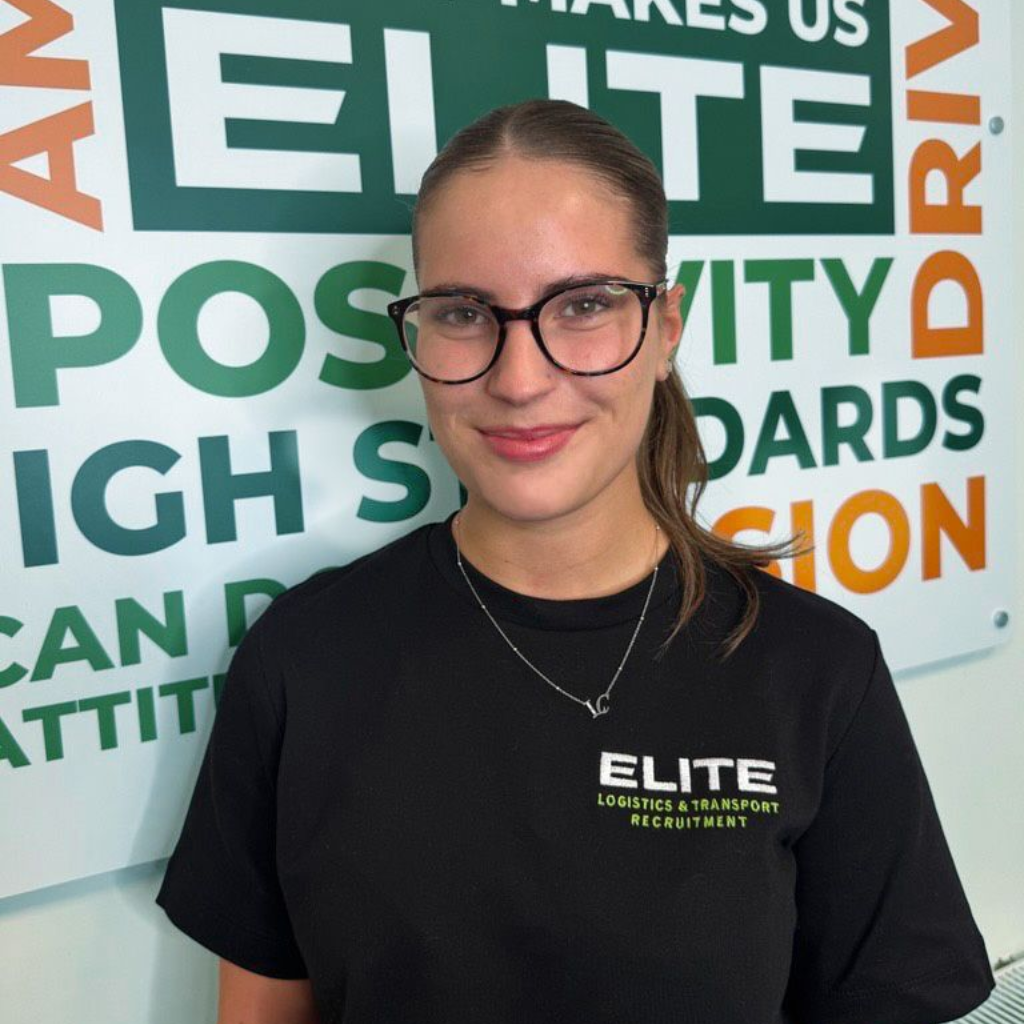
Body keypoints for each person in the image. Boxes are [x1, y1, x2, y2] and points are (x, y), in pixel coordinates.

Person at [154, 98, 996, 1024]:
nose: (519, 379)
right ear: (419, 329)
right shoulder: (304, 659)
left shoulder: (815, 670)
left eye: (585, 304)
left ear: (666, 328)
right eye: (466, 311)